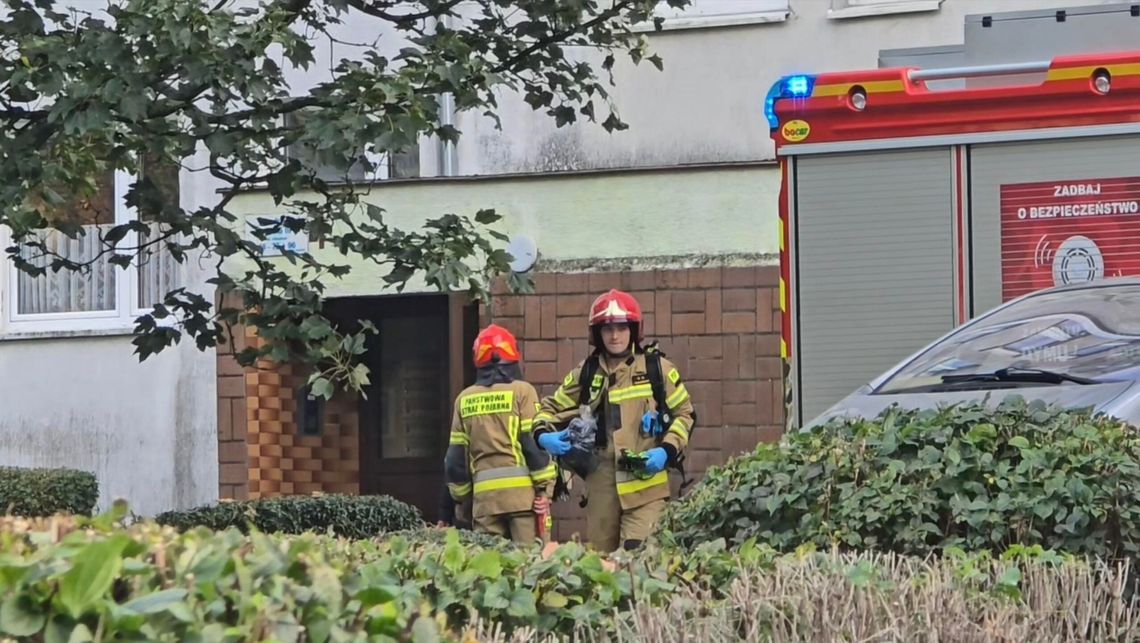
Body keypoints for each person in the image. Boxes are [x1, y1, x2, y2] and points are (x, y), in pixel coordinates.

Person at [533, 289, 695, 553]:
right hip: (601, 490)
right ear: (598, 333)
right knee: (601, 565)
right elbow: (548, 407)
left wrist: (665, 452)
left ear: (633, 329)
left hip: (647, 486)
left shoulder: (657, 369)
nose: (615, 335)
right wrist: (542, 435)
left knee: (639, 558)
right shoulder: (585, 372)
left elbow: (685, 414)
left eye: (621, 327)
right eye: (607, 328)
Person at [443, 323, 557, 544]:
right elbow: (532, 445)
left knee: (491, 570)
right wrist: (545, 491)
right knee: (530, 567)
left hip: (485, 503)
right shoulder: (522, 392)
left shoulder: (464, 399)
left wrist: (463, 499)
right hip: (524, 501)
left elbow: (455, 459)